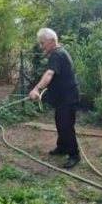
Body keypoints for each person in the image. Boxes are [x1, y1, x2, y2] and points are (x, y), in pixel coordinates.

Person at [29, 28, 81, 169]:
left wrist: (36, 89)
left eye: (43, 43)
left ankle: (74, 155)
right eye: (40, 44)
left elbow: (49, 74)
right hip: (63, 98)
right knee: (60, 122)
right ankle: (62, 147)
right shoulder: (57, 53)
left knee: (66, 126)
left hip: (68, 98)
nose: (41, 46)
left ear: (53, 41)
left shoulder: (57, 55)